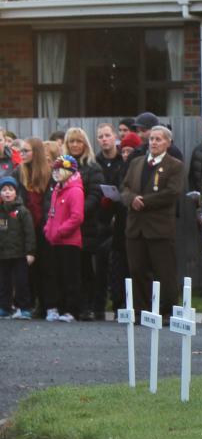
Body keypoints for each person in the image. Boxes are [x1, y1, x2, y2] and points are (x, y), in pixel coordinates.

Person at [121, 126, 183, 317]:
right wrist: (131, 199)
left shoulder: (174, 165)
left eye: (159, 139)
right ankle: (141, 310)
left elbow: (172, 192)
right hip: (135, 228)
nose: (154, 142)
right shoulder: (136, 163)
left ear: (168, 143)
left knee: (164, 272)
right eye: (152, 139)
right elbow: (124, 187)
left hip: (159, 228)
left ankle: (166, 312)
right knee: (137, 270)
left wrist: (144, 202)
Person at [63, 127, 105, 322]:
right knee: (70, 269)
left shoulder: (93, 167)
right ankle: (73, 306)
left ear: (85, 144)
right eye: (71, 142)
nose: (75, 145)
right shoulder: (62, 168)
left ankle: (88, 306)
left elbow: (96, 195)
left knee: (86, 268)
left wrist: (78, 213)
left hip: (86, 226)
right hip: (66, 227)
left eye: (78, 141)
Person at [11, 138, 54, 318]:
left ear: (35, 152)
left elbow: (49, 202)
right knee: (28, 269)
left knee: (47, 268)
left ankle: (48, 305)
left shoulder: (49, 174)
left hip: (44, 227)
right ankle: (30, 305)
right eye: (21, 151)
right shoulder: (17, 173)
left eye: (26, 151)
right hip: (24, 228)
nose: (22, 154)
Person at [44, 155, 85, 323]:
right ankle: (57, 306)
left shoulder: (75, 191)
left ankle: (71, 309)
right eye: (54, 170)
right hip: (54, 240)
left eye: (59, 170)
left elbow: (77, 217)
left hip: (69, 242)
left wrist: (60, 231)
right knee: (55, 275)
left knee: (70, 276)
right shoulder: (56, 189)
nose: (56, 173)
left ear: (69, 171)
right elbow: (51, 212)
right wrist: (48, 228)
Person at [95, 123, 124, 320]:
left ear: (114, 137)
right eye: (101, 137)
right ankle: (98, 305)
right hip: (99, 217)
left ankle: (118, 304)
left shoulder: (123, 160)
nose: (104, 139)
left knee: (119, 265)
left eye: (107, 135)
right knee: (99, 265)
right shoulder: (95, 162)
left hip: (120, 217)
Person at [0, 176, 36, 319]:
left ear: (16, 192)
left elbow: (29, 233)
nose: (7, 193)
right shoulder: (1, 212)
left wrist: (30, 252)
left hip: (20, 254)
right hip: (3, 255)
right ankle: (4, 307)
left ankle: (25, 308)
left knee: (21, 282)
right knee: (4, 283)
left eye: (10, 190)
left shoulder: (22, 211)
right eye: (4, 190)